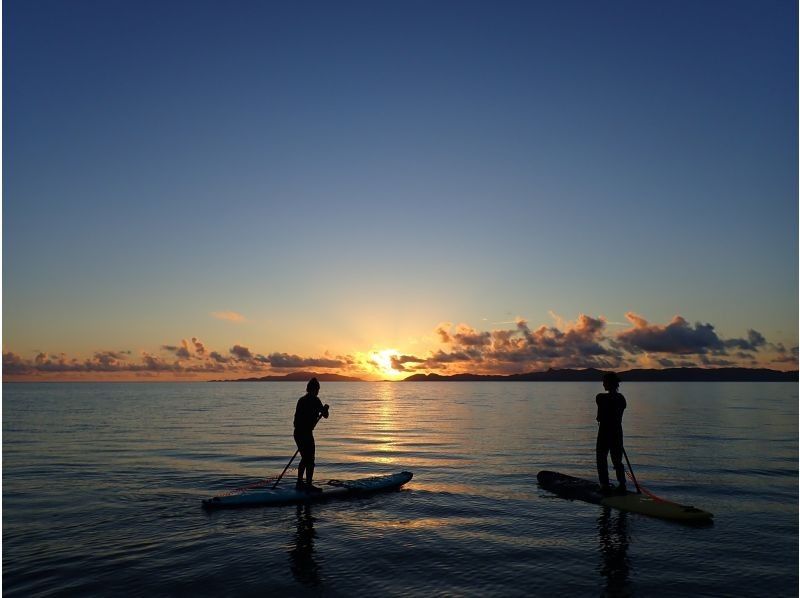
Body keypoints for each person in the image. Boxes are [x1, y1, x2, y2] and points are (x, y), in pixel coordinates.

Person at [294, 378, 330, 493]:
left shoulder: (307, 400)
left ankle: (300, 483)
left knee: (306, 458)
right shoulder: (310, 400)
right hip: (303, 433)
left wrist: (324, 409)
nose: (318, 392)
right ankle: (306, 484)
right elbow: (325, 415)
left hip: (301, 433)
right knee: (309, 459)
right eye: (317, 389)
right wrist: (324, 409)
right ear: (314, 389)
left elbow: (324, 415)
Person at [596, 372, 627, 494]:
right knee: (617, 460)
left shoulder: (601, 397)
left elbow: (599, 416)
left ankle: (604, 485)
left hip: (605, 432)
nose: (603, 384)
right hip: (617, 432)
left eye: (604, 382)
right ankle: (622, 484)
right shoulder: (621, 398)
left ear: (609, 383)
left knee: (601, 458)